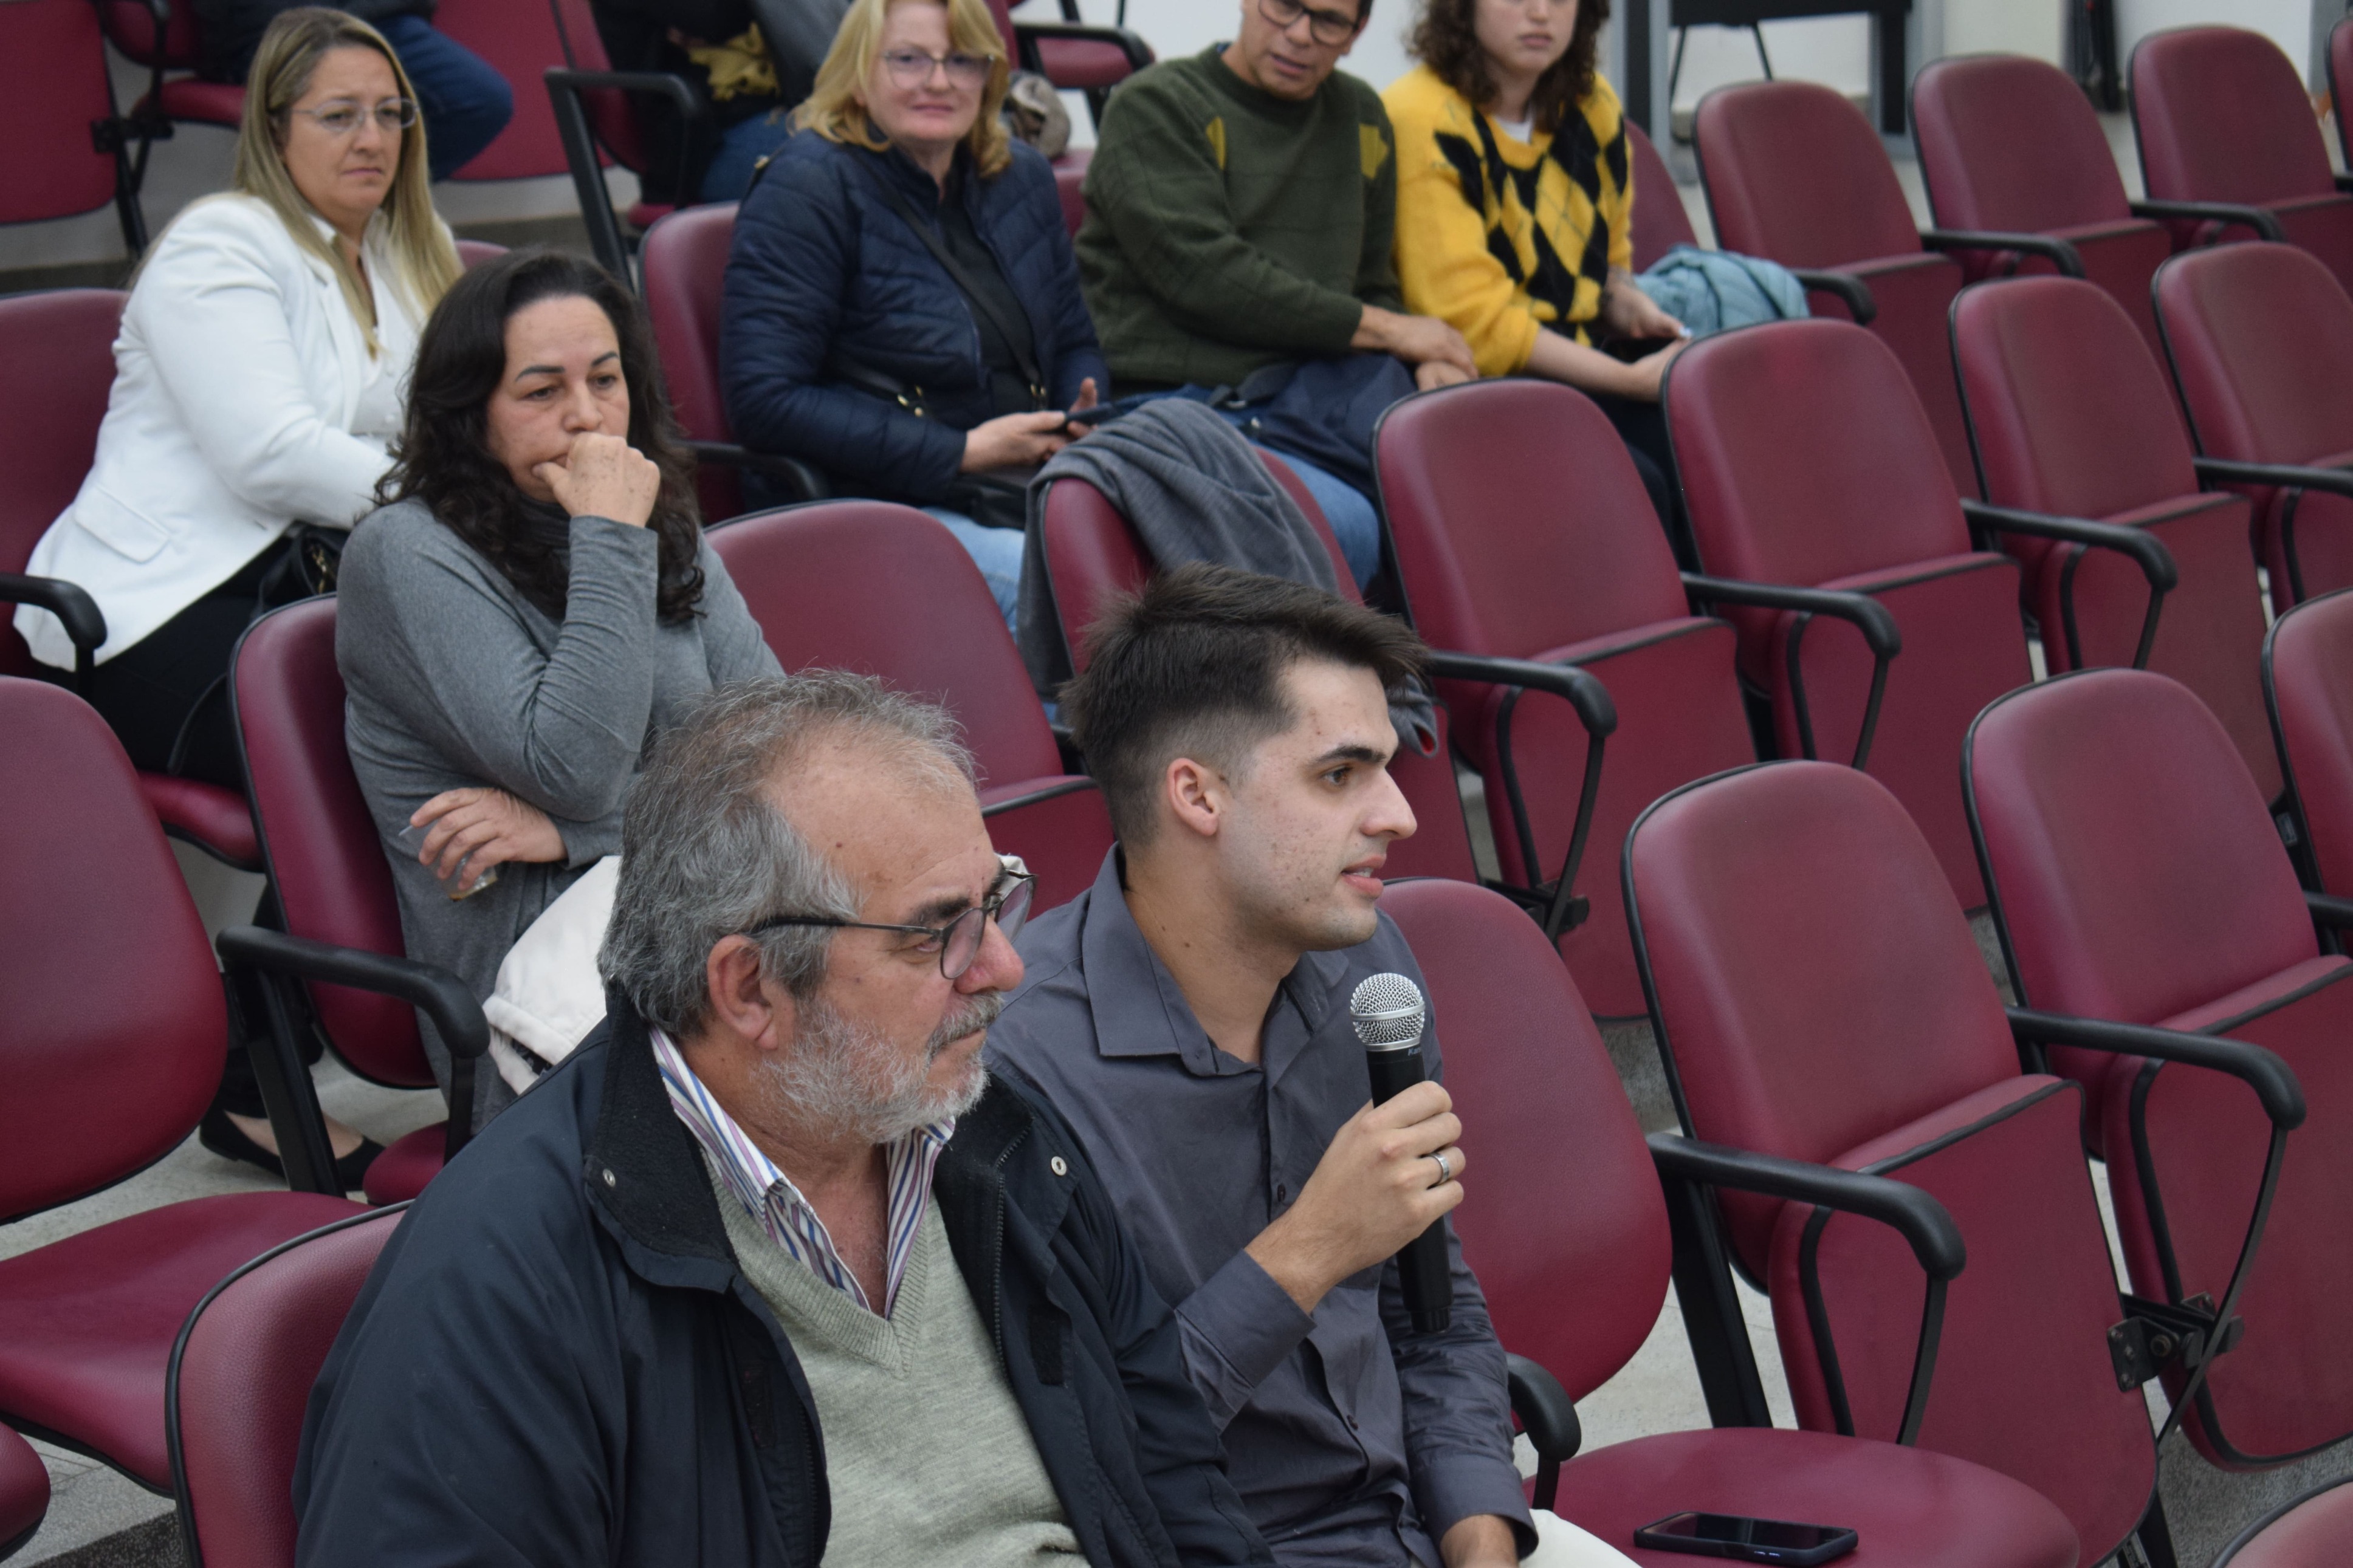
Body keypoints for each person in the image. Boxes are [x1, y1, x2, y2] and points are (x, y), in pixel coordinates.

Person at [293, 673, 1277, 1568]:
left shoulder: (990, 1133)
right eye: (940, 931)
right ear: (750, 989)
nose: (1003, 969)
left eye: (997, 902)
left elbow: (1175, 1481)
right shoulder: (504, 1279)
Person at [986, 565, 1635, 1567]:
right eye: (1340, 775)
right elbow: (1074, 1460)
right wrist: (1307, 1251)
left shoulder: (1367, 964)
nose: (1399, 815)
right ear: (1196, 793)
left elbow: (1435, 1313)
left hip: (1423, 1528)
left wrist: (1481, 1540)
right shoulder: (1016, 1072)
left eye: (1385, 768)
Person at [12, 7, 461, 1188]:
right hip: (146, 617)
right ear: (272, 128)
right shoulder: (220, 245)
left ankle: (388, 1037)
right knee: (379, 759)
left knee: (470, 715)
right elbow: (273, 455)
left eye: (391, 113)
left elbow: (456, 417)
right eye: (339, 115)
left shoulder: (406, 255)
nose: (373, 138)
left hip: (296, 594)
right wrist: (469, 499)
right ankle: (256, 1085)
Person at [337, 248, 783, 1136]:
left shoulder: (655, 517)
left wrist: (572, 832)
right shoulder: (406, 555)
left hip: (723, 930)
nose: (586, 418)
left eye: (606, 380)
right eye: (542, 392)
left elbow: (782, 758)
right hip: (546, 1012)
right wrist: (609, 537)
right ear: (472, 415)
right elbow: (575, 767)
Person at [723, 0, 1106, 628]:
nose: (937, 81)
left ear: (989, 76)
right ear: (856, 71)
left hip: (1029, 479)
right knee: (1076, 592)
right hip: (878, 500)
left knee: (1181, 552)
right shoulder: (807, 188)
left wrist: (1074, 415)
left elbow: (1074, 341)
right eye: (907, 60)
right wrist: (959, 451)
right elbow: (766, 400)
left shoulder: (1020, 176)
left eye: (961, 61)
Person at [1073, 0, 1476, 586]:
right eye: (1284, 6)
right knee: (1349, 522)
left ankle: (1458, 678)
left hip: (1321, 399)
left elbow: (1372, 286)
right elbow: (1208, 279)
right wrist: (1396, 332)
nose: (1299, 36)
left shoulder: (1361, 115)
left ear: (1357, 32)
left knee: (1487, 487)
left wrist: (1429, 359)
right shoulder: (1156, 104)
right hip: (1190, 408)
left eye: (1329, 21)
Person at [1384, 0, 1687, 541]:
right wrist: (1628, 380)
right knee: (1637, 484)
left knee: (1709, 448)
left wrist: (1625, 299)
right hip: (1480, 383)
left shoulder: (1591, 104)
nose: (1541, 12)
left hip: (1580, 361)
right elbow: (1477, 324)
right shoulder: (1421, 116)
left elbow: (1608, 257)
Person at [196, 0, 515, 180]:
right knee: (333, 107)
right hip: (278, 22)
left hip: (380, 15)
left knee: (483, 100)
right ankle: (316, 215)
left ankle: (379, 207)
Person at [588, 0, 843, 203]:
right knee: (845, 162)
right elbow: (714, 15)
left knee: (867, 139)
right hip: (706, 141)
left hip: (786, 104)